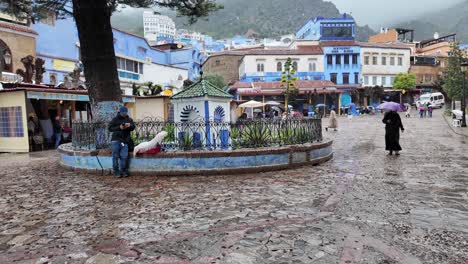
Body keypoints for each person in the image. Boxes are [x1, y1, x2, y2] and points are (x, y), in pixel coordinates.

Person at [108, 106, 135, 178]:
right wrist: (119, 127)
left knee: (124, 156)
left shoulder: (129, 119)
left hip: (125, 140)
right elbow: (110, 128)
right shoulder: (115, 119)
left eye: (125, 113)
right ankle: (116, 171)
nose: (124, 114)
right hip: (116, 140)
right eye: (123, 113)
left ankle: (123, 171)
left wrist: (129, 125)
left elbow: (133, 127)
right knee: (115, 156)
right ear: (120, 112)